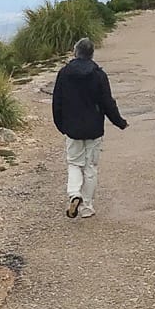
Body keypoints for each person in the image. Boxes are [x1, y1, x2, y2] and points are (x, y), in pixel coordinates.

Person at [51, 37, 127, 219]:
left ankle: (74, 194)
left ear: (75, 52)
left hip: (72, 128)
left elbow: (57, 103)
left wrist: (62, 126)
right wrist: (119, 122)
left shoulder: (64, 73)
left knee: (74, 163)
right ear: (91, 53)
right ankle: (87, 207)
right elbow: (107, 103)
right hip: (94, 128)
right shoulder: (98, 74)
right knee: (90, 167)